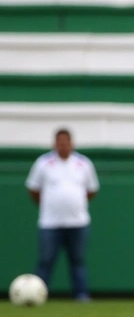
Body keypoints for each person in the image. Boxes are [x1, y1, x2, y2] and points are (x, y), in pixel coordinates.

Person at [25, 128, 100, 302]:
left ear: (71, 143)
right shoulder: (43, 163)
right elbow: (33, 189)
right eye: (60, 143)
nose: (63, 146)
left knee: (78, 261)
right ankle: (37, 296)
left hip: (78, 223)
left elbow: (91, 190)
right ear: (55, 144)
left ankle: (81, 295)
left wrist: (74, 204)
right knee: (45, 261)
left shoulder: (83, 164)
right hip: (50, 223)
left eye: (66, 142)